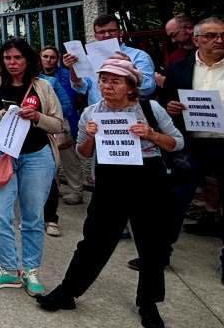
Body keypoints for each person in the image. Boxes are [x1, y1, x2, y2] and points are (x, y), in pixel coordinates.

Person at [38, 53, 182, 327]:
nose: (107, 86)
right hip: (110, 179)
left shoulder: (151, 109)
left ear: (130, 85)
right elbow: (82, 151)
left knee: (151, 244)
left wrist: (151, 134)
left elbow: (176, 143)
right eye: (103, 80)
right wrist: (91, 135)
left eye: (115, 81)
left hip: (148, 178)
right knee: (94, 240)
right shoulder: (92, 113)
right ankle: (67, 292)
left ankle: (148, 303)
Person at [0, 38, 67, 296]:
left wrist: (37, 117)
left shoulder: (43, 87)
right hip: (1, 156)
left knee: (33, 217)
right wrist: (0, 115)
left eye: (17, 58)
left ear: (28, 60)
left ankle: (31, 270)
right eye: (7, 58)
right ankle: (7, 269)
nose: (12, 63)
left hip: (37, 157)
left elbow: (59, 124)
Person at [160, 16, 224, 290]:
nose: (219, 40)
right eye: (211, 36)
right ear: (196, 40)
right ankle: (159, 255)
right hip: (193, 145)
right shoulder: (180, 69)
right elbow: (166, 101)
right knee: (175, 200)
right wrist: (171, 107)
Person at [63, 14, 157, 106]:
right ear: (96, 36)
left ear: (120, 32)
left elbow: (148, 88)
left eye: (112, 31)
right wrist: (73, 68)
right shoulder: (89, 58)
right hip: (99, 115)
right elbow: (80, 88)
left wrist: (130, 68)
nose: (107, 35)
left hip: (131, 113)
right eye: (102, 32)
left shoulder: (139, 56)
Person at [39, 46, 83, 238]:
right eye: (45, 57)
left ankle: (76, 190)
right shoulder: (37, 76)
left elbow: (69, 101)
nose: (48, 60)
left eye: (52, 57)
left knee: (68, 158)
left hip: (63, 121)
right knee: (51, 162)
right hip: (42, 123)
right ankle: (53, 191)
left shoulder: (64, 75)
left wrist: (55, 116)